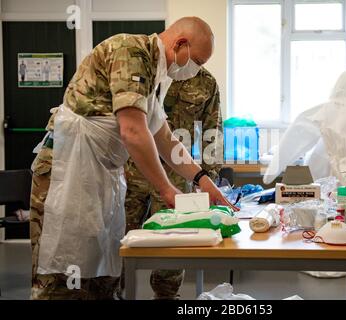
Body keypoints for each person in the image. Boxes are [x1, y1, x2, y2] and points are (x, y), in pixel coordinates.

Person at [30, 16, 237, 300]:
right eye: (197, 61)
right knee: (62, 274)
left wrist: (202, 179)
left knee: (100, 270)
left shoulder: (154, 74)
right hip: (70, 170)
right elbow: (133, 131)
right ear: (180, 44)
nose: (195, 70)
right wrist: (167, 188)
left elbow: (165, 138)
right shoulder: (131, 53)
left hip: (100, 172)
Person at [124, 66, 223, 299]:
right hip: (134, 166)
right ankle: (115, 289)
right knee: (121, 232)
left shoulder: (206, 81)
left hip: (178, 171)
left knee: (175, 235)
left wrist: (208, 176)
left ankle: (166, 295)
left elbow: (213, 130)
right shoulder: (150, 70)